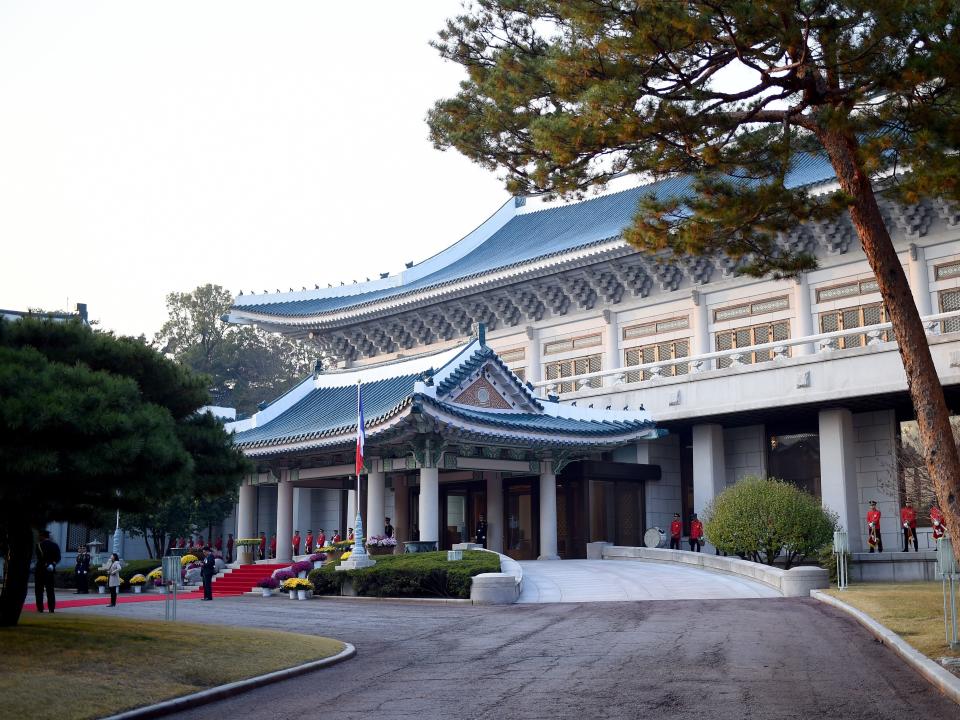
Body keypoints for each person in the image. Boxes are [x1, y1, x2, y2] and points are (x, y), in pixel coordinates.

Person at [34, 530, 61, 612]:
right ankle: (51, 608)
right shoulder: (55, 545)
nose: (38, 537)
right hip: (50, 570)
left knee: (39, 590)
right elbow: (58, 557)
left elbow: (39, 557)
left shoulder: (38, 545)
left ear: (42, 536)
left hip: (40, 569)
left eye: (39, 536)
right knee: (50, 590)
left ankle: (40, 608)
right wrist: (53, 564)